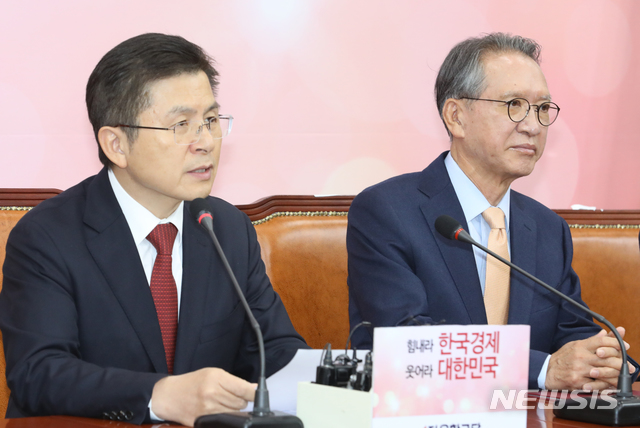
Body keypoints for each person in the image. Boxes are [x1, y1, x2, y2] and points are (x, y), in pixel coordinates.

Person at [0, 33, 307, 426]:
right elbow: (39, 372)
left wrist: (346, 382)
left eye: (210, 120)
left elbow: (275, 352)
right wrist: (159, 395)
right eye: (181, 125)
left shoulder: (227, 229)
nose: (205, 142)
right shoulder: (47, 237)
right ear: (116, 144)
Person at [347, 33, 636, 391]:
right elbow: (406, 341)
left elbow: (571, 333)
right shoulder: (386, 212)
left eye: (542, 109)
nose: (533, 126)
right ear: (456, 117)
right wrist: (542, 369)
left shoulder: (548, 229)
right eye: (514, 104)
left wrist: (600, 361)